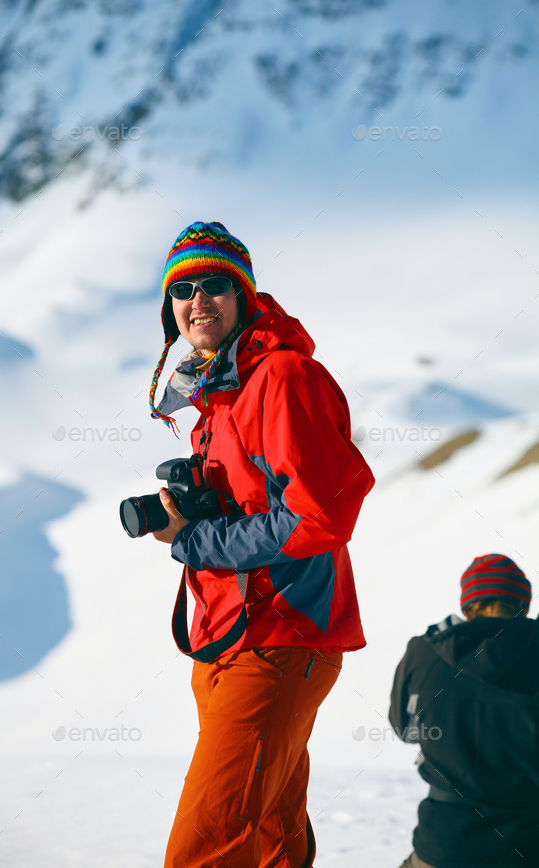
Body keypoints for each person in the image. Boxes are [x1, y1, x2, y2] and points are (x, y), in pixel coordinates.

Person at [146, 220, 375, 867]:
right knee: (271, 835)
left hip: (280, 638)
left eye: (214, 283)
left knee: (204, 848)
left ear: (245, 295)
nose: (197, 300)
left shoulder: (281, 378)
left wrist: (198, 537)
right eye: (181, 288)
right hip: (228, 637)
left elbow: (318, 518)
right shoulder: (217, 396)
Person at [390, 553, 539, 868]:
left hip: (445, 843)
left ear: (468, 604)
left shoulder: (425, 651)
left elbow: (405, 729)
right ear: (523, 604)